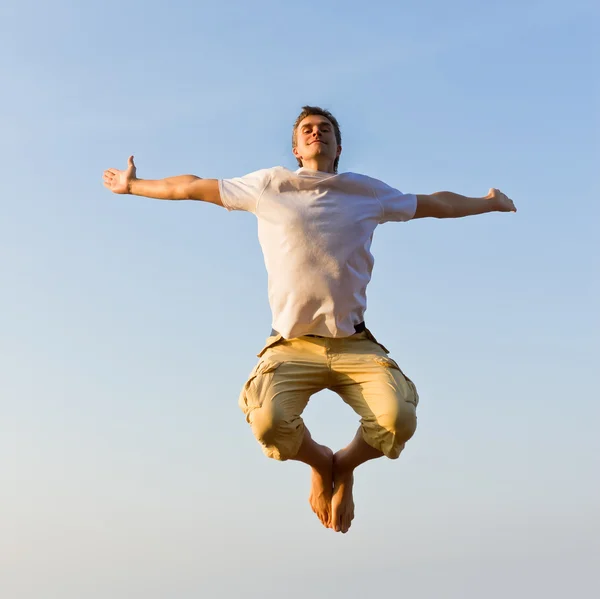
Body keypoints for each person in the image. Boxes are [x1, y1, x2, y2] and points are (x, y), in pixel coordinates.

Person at [103, 106, 516, 534]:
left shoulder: (365, 192)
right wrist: (133, 186)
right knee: (267, 422)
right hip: (291, 344)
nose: (316, 133)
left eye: (325, 129)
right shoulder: (268, 186)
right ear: (297, 148)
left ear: (338, 147)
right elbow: (189, 187)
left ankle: (346, 466)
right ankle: (321, 463)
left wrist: (487, 204)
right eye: (307, 130)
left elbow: (434, 203)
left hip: (354, 343)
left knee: (397, 420)